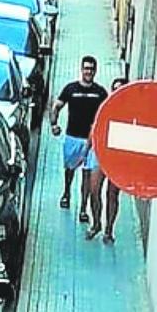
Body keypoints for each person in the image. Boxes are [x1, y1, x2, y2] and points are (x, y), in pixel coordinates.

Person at [49, 55, 109, 233]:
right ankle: (66, 192)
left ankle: (83, 209)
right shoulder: (70, 89)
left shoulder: (100, 93)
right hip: (72, 137)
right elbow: (57, 106)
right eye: (86, 68)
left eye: (91, 69)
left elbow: (107, 114)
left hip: (92, 142)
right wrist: (54, 124)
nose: (88, 71)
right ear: (81, 70)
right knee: (69, 169)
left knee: (87, 176)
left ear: (95, 71)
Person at [88, 77, 127, 244]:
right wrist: (86, 149)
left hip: (119, 158)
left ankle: (109, 230)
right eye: (115, 88)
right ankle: (96, 223)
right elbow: (95, 127)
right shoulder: (105, 107)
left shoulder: (131, 111)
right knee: (94, 189)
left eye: (121, 89)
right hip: (102, 153)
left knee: (112, 194)